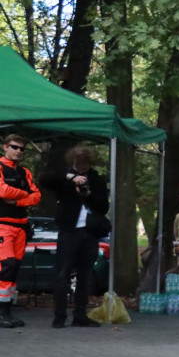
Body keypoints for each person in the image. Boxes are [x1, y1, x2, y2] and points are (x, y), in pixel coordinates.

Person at [39, 145, 108, 328]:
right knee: (62, 275)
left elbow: (103, 207)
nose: (82, 167)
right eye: (78, 164)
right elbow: (45, 180)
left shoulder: (97, 180)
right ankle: (59, 316)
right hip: (68, 232)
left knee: (84, 277)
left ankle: (80, 315)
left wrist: (88, 194)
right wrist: (71, 177)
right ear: (73, 162)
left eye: (85, 164)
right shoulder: (65, 176)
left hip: (90, 233)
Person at [0, 134, 41, 328]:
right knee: (5, 265)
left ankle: (7, 311)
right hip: (3, 225)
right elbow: (2, 191)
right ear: (5, 147)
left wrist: (17, 200)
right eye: (14, 147)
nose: (18, 151)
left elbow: (37, 196)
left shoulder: (25, 172)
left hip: (21, 226)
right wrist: (25, 194)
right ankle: (2, 313)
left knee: (14, 267)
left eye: (21, 149)